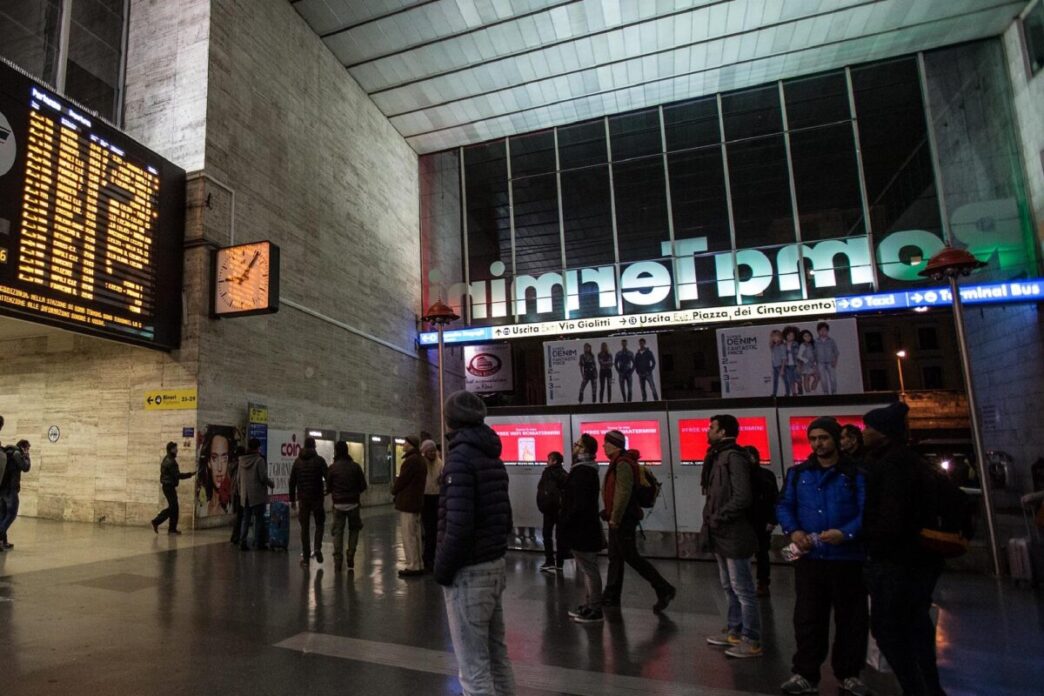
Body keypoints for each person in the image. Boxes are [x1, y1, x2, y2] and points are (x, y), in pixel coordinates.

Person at [776, 417, 871, 696]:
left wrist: (846, 533)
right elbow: (784, 505)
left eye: (824, 438)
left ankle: (849, 673)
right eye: (814, 439)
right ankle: (805, 672)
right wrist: (794, 531)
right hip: (811, 558)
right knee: (808, 618)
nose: (818, 444)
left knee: (851, 619)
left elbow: (866, 512)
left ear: (836, 440)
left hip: (847, 558)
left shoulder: (855, 474)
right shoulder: (799, 473)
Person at [861, 402, 947, 696]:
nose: (864, 432)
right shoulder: (910, 462)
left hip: (897, 563)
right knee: (914, 627)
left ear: (884, 433)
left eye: (869, 427)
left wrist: (869, 540)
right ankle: (927, 687)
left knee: (891, 630)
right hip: (915, 562)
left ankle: (917, 688)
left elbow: (891, 519)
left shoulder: (892, 466)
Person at [435, 390, 515, 696]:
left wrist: (442, 569)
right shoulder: (492, 456)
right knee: (498, 658)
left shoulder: (459, 460)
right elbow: (504, 518)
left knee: (473, 670)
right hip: (494, 565)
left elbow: (458, 526)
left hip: (468, 573)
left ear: (452, 420)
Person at [702, 414, 762, 658]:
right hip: (721, 532)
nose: (708, 431)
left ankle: (752, 638)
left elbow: (742, 496)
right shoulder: (719, 456)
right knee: (729, 586)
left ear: (723, 431)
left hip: (734, 531)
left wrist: (719, 516)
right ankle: (734, 630)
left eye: (711, 427)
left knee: (743, 588)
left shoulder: (733, 457)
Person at [600, 429, 675, 613]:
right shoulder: (619, 462)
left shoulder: (623, 464)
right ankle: (611, 596)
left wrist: (615, 517)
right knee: (615, 558)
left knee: (630, 556)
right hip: (618, 517)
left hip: (624, 519)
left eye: (606, 442)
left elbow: (623, 492)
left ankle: (664, 588)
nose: (603, 446)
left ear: (614, 445)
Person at [561, 434, 605, 624]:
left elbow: (577, 503)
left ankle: (595, 609)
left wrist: (567, 520)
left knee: (590, 569)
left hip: (582, 528)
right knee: (588, 569)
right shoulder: (587, 471)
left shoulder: (582, 472)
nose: (575, 447)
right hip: (586, 527)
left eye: (578, 444)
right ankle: (589, 605)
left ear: (585, 450)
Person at [328, 440, 368, 571]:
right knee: (354, 530)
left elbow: (328, 488)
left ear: (336, 451)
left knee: (338, 533)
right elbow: (363, 486)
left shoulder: (332, 468)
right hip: (353, 504)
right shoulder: (355, 466)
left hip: (338, 505)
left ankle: (338, 560)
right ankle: (350, 554)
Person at [289, 436, 329, 566]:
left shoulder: (297, 462)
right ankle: (317, 548)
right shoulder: (320, 461)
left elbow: (292, 482)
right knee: (320, 524)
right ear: (314, 446)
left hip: (303, 499)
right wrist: (328, 491)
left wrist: (292, 500)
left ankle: (306, 558)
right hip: (317, 497)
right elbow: (328, 477)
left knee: (304, 528)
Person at [744, 445, 778, 597]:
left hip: (760, 520)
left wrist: (772, 520)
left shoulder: (765, 476)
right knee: (752, 554)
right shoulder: (743, 477)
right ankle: (755, 583)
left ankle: (762, 582)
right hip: (748, 520)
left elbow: (775, 499)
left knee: (762, 553)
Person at [392, 435, 426, 578]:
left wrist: (394, 489)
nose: (403, 445)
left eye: (405, 442)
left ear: (411, 444)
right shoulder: (420, 460)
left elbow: (402, 480)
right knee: (415, 535)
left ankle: (412, 566)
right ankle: (418, 563)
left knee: (409, 535)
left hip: (408, 503)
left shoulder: (411, 461)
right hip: (416, 502)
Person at [238, 438, 275, 551]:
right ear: (258, 448)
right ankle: (259, 543)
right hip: (257, 494)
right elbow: (263, 477)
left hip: (245, 495)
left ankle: (242, 541)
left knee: (246, 519)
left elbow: (238, 478)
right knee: (259, 519)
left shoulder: (241, 460)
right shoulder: (259, 461)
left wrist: (241, 491)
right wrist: (271, 483)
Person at [151, 442, 194, 535]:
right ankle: (157, 522)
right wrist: (190, 474)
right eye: (175, 448)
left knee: (174, 508)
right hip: (169, 487)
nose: (177, 450)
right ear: (171, 450)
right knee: (173, 508)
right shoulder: (171, 461)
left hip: (167, 486)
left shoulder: (167, 459)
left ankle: (171, 529)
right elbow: (178, 475)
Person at [536, 450, 568, 573]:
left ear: (554, 461)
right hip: (560, 510)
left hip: (548, 510)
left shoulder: (547, 473)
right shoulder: (564, 474)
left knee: (547, 535)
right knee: (560, 536)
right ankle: (560, 563)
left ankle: (549, 561)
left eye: (549, 459)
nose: (547, 461)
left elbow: (542, 490)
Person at [0, 438, 31, 549]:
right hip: (10, 489)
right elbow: (26, 467)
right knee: (11, 515)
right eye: (27, 448)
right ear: (23, 447)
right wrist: (27, 456)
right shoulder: (17, 453)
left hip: (2, 489)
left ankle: (3, 542)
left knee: (3, 515)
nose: (28, 450)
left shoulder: (7, 452)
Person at [198, 430, 234, 516]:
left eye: (224, 459)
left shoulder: (232, 508)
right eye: (214, 458)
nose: (219, 468)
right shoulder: (201, 510)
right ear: (209, 463)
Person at [420, 439, 442, 572]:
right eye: (430, 451)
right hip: (425, 497)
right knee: (429, 530)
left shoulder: (439, 463)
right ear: (424, 451)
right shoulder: (422, 464)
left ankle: (430, 557)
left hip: (436, 497)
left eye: (434, 451)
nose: (433, 453)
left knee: (433, 530)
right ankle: (428, 557)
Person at [816, 322, 840, 395]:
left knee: (833, 378)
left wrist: (835, 361)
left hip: (830, 362)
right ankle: (825, 392)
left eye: (825, 330)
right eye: (821, 330)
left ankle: (834, 392)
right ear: (818, 331)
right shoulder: (815, 341)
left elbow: (836, 352)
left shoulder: (831, 341)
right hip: (820, 362)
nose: (823, 332)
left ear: (827, 331)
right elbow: (814, 353)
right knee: (823, 379)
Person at [229, 445, 245, 544]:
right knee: (240, 516)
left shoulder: (233, 464)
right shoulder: (240, 464)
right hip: (239, 492)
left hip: (235, 492)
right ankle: (236, 537)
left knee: (239, 516)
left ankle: (236, 536)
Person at [797, 329, 819, 395]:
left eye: (808, 335)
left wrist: (814, 362)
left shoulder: (811, 345)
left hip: (812, 364)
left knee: (817, 377)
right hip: (806, 365)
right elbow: (799, 356)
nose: (807, 337)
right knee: (806, 378)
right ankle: (808, 392)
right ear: (802, 338)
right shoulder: (802, 345)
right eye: (805, 336)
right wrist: (806, 361)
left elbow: (813, 354)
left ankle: (813, 390)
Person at [783, 327, 801, 396]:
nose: (790, 337)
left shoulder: (796, 344)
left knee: (798, 378)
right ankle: (794, 393)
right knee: (791, 380)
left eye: (792, 335)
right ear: (785, 335)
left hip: (795, 364)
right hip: (788, 366)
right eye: (789, 335)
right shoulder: (783, 345)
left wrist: (799, 364)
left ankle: (800, 387)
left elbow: (798, 354)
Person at [769, 329, 787, 397]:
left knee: (784, 380)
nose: (774, 338)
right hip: (774, 365)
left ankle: (787, 393)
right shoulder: (773, 346)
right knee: (775, 380)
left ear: (779, 336)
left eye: (776, 336)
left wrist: (782, 368)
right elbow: (773, 357)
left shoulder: (781, 345)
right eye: (773, 336)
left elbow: (784, 358)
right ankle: (774, 393)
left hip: (780, 365)